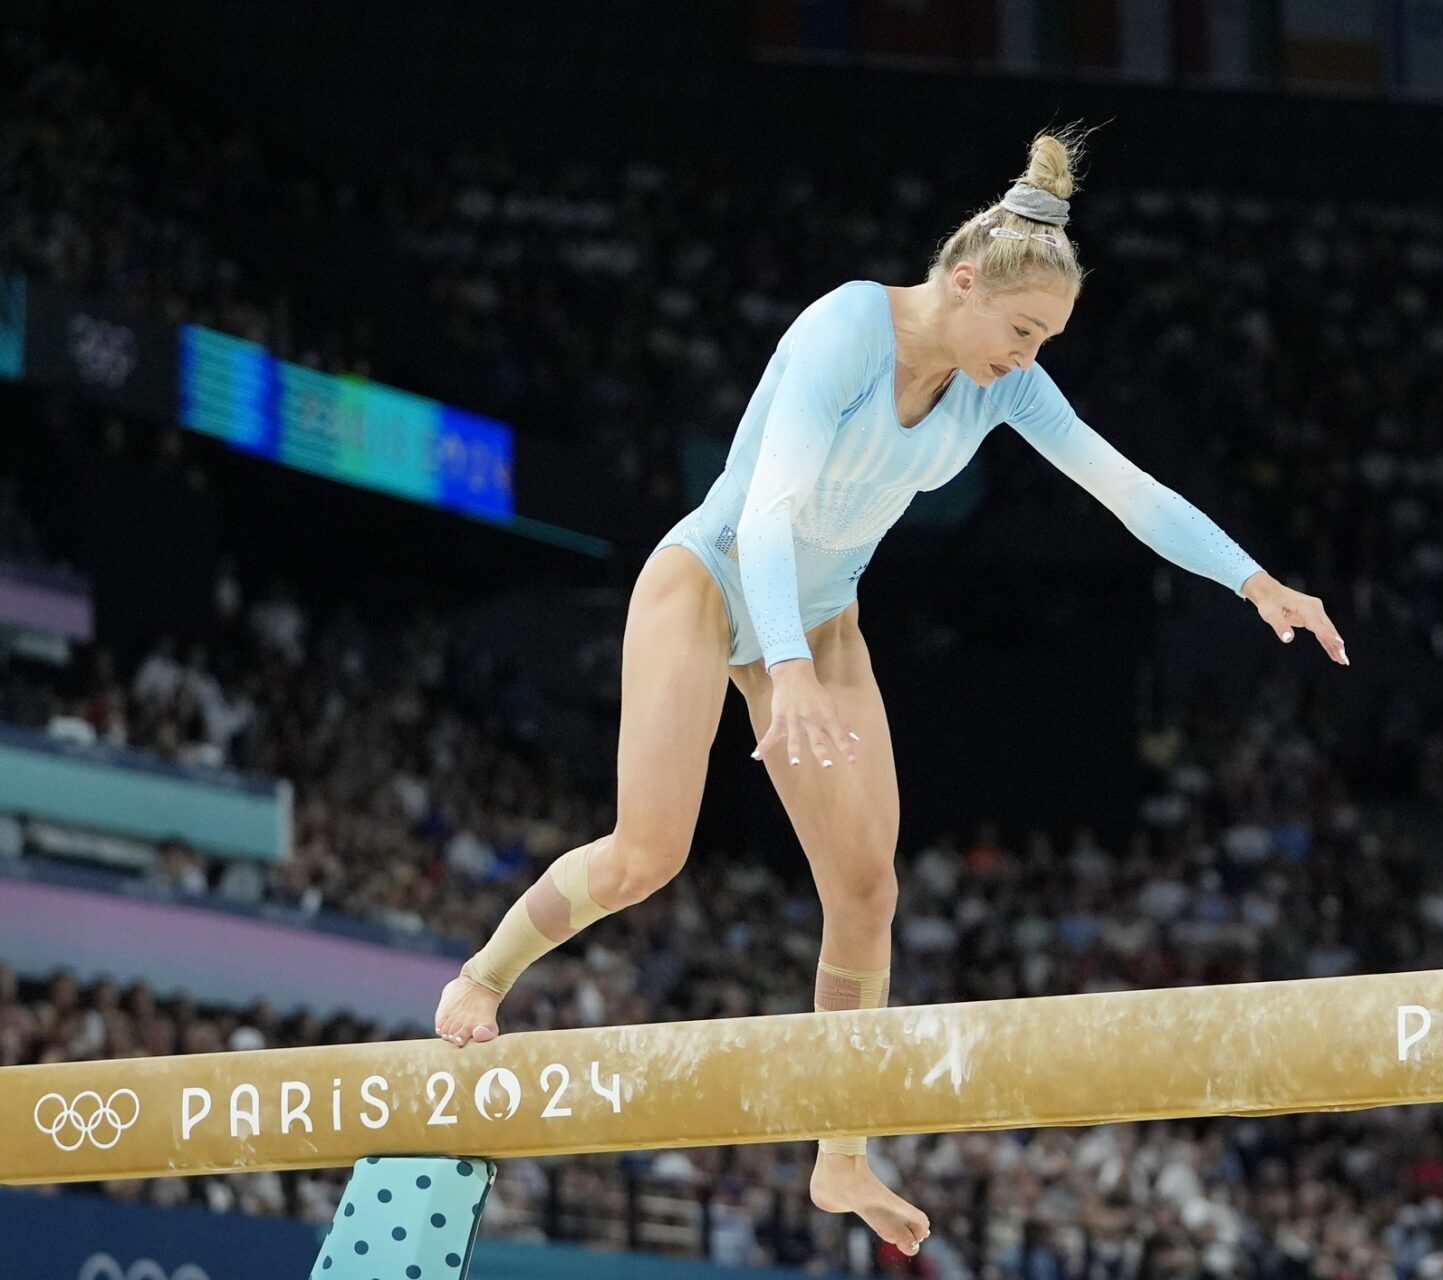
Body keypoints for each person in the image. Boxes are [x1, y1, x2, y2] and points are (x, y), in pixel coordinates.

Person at [433, 126, 1347, 1255]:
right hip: (714, 580)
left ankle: (842, 1153)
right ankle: (482, 973)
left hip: (824, 616)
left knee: (868, 888)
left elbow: (1133, 491)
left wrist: (1253, 579)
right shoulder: (841, 332)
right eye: (1021, 331)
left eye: (1047, 340)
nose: (1028, 357)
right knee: (645, 853)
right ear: (962, 283)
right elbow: (765, 516)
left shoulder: (1001, 386)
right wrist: (782, 672)